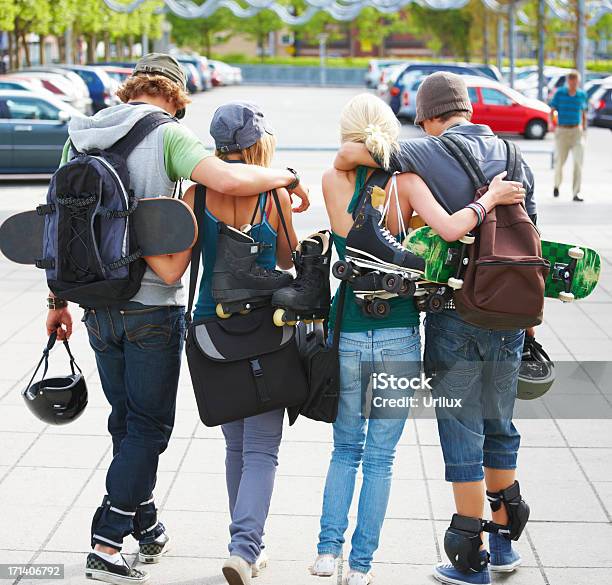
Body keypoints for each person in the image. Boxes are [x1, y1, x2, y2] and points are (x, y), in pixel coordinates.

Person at [45, 54, 309, 585]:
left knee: (125, 423)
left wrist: (56, 304)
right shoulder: (166, 134)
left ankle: (145, 524)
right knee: (148, 427)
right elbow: (229, 181)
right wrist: (287, 175)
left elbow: (60, 226)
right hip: (149, 308)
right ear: (176, 96)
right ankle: (108, 538)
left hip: (94, 305)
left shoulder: (80, 137)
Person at [312, 92, 525, 585]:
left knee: (346, 448)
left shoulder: (331, 180)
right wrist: (488, 199)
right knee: (381, 457)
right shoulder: (406, 182)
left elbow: (350, 238)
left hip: (349, 327)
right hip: (401, 330)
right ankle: (362, 566)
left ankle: (327, 552)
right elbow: (450, 230)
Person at [150, 101, 299, 585]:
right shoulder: (273, 193)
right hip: (266, 330)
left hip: (211, 332)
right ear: (257, 144)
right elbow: (289, 258)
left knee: (236, 445)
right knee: (262, 449)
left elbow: (175, 267)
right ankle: (245, 547)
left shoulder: (195, 195)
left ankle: (244, 542)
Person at [550, 71, 588, 202]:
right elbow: (553, 110)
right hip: (563, 131)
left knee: (578, 162)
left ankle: (576, 192)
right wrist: (553, 125)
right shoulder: (560, 93)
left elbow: (583, 113)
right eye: (571, 81)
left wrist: (584, 129)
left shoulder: (582, 95)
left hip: (577, 131)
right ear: (568, 82)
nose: (573, 84)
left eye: (575, 81)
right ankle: (556, 185)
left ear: (578, 82)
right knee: (560, 161)